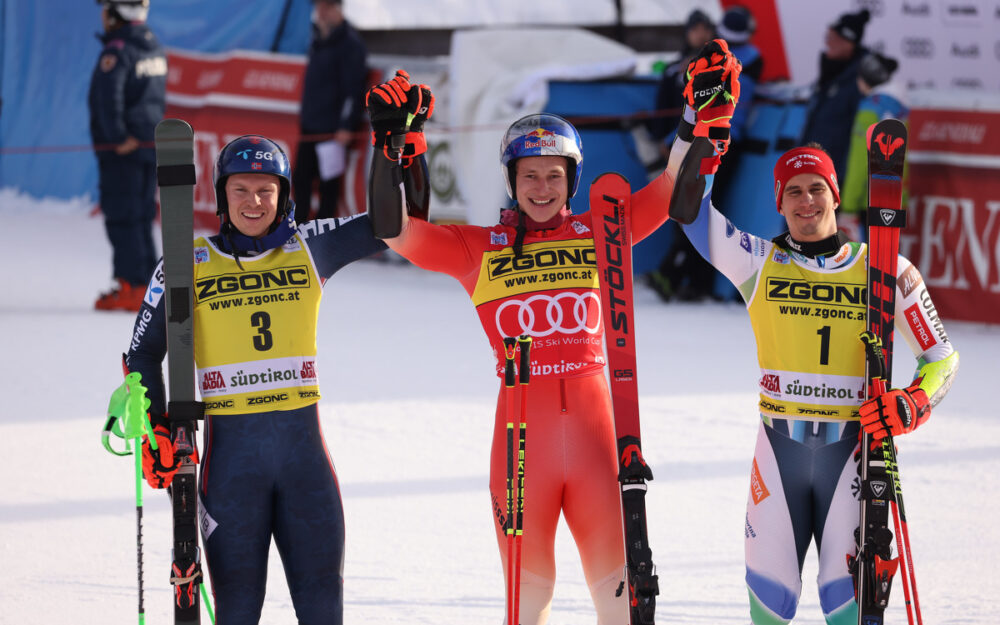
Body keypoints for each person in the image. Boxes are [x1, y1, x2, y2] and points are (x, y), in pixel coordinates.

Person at [361, 55, 735, 622]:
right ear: (512, 182)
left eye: (554, 175)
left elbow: (673, 193)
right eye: (529, 175)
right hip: (519, 448)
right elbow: (396, 232)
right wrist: (391, 145)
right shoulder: (478, 248)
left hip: (597, 441)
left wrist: (695, 119)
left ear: (572, 181)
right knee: (527, 601)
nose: (542, 187)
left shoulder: (602, 230)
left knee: (620, 598)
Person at [665, 61, 960, 623]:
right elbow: (686, 211)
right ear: (778, 201)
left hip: (854, 453)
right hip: (778, 449)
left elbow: (942, 358)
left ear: (833, 193)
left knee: (846, 606)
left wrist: (912, 402)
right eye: (793, 191)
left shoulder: (886, 269)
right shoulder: (757, 261)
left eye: (817, 189)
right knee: (769, 604)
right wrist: (701, 129)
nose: (806, 202)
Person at [122, 135, 387, 623]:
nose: (254, 202)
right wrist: (155, 427)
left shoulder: (310, 246)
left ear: (283, 195)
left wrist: (396, 148)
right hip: (231, 471)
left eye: (266, 190)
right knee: (238, 610)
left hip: (305, 466)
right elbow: (142, 354)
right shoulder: (187, 261)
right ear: (221, 195)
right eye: (241, 189)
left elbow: (393, 226)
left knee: (323, 606)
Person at [89, 0, 166, 311]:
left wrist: (118, 137)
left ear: (118, 11)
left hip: (124, 150)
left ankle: (133, 287)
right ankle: (149, 287)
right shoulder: (154, 45)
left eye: (106, 7)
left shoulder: (117, 50)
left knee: (123, 216)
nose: (102, 14)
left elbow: (110, 99)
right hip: (148, 146)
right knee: (141, 217)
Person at [645, 9, 719, 303]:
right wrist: (663, 140)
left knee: (701, 215)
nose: (701, 34)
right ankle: (675, 277)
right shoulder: (674, 69)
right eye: (696, 28)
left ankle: (692, 281)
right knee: (679, 214)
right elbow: (662, 110)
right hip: (676, 151)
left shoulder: (721, 69)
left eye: (706, 28)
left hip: (706, 150)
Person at [293, 0, 368, 223]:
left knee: (328, 186)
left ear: (337, 8)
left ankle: (322, 233)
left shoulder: (350, 44)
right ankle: (298, 229)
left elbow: (354, 91)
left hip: (331, 131)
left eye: (325, 7)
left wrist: (346, 125)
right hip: (310, 126)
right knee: (300, 181)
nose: (320, 13)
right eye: (318, 8)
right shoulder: (318, 39)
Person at [837, 52, 908, 242]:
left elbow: (860, 161)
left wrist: (849, 205)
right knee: (888, 263)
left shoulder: (869, 109)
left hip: (867, 202)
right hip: (894, 197)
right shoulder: (900, 107)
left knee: (863, 266)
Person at [799, 9, 872, 182]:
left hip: (832, 179)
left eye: (834, 39)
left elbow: (859, 142)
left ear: (849, 43)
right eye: (828, 37)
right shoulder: (830, 73)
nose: (828, 43)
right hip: (809, 172)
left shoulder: (860, 82)